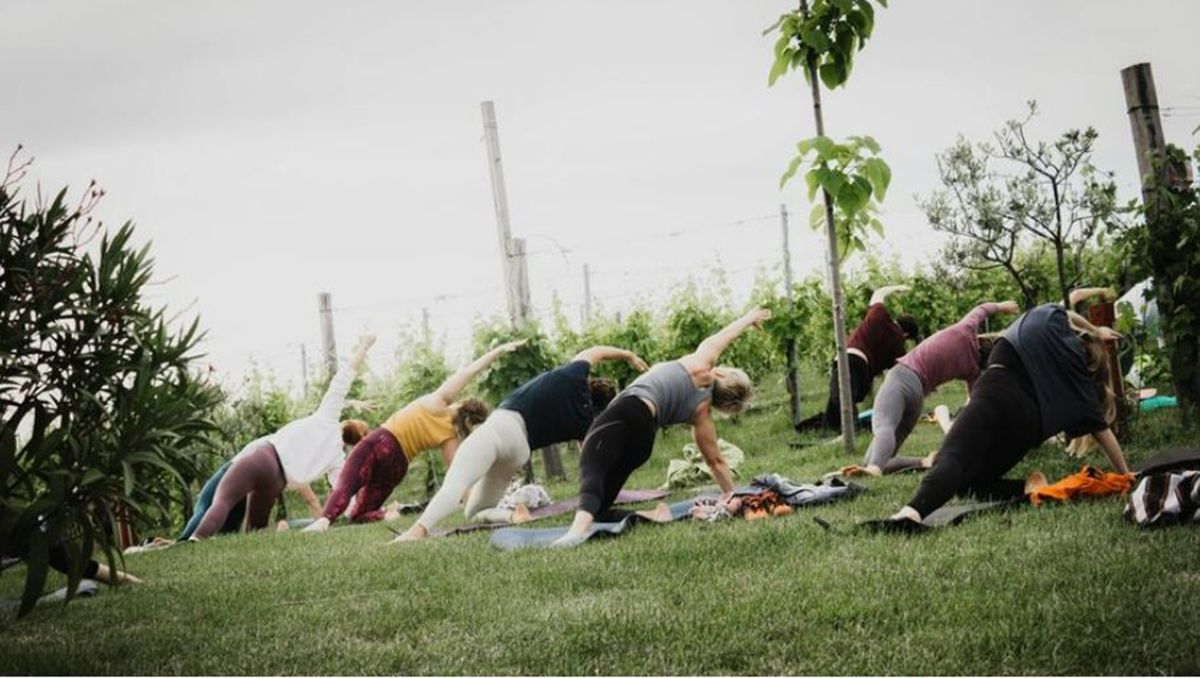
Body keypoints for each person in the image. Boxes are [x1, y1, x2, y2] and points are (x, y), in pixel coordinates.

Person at [886, 303, 1130, 525]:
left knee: (952, 458)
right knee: (970, 483)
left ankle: (912, 513)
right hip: (1023, 430)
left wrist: (1094, 330)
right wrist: (1125, 475)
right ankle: (1028, 485)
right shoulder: (1081, 388)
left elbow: (1066, 313)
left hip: (996, 395)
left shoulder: (1047, 323)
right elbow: (1103, 433)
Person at [551, 308, 771, 548]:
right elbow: (716, 462)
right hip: (643, 440)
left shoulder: (701, 364)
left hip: (629, 411)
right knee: (600, 505)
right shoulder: (702, 415)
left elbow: (724, 335)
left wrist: (749, 318)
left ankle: (575, 533)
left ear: (720, 372)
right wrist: (733, 496)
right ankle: (653, 514)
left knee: (590, 466)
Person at [391, 346, 648, 542]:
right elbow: (589, 463)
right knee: (476, 511)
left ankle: (418, 530)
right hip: (519, 452)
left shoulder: (573, 374)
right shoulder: (586, 424)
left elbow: (596, 351)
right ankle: (513, 515)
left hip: (502, 427)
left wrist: (628, 356)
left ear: (592, 385)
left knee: (456, 482)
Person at [303, 340, 525, 531]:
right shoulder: (450, 439)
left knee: (347, 484)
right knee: (361, 512)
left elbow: (469, 372)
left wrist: (497, 351)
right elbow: (458, 479)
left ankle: (324, 520)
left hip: (381, 442)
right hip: (398, 465)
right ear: (470, 424)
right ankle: (389, 514)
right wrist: (473, 504)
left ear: (461, 404)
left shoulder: (440, 401)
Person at [189, 335, 376, 539]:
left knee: (223, 500)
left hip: (264, 458)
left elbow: (344, 378)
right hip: (277, 481)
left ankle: (195, 539)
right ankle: (271, 531)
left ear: (347, 423)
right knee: (255, 530)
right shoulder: (337, 459)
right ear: (353, 444)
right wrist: (361, 512)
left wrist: (365, 345)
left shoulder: (327, 417)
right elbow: (342, 492)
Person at [851, 301, 1020, 476]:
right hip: (918, 398)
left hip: (902, 378)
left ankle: (874, 469)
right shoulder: (974, 371)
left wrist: (1001, 307)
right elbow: (975, 403)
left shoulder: (965, 330)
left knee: (884, 425)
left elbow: (981, 309)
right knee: (876, 458)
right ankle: (924, 461)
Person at [796, 285, 921, 432]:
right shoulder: (899, 347)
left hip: (849, 360)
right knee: (836, 410)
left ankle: (857, 430)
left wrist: (897, 288)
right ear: (907, 335)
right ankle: (806, 429)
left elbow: (879, 292)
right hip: (864, 375)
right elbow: (898, 372)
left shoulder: (879, 315)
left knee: (842, 401)